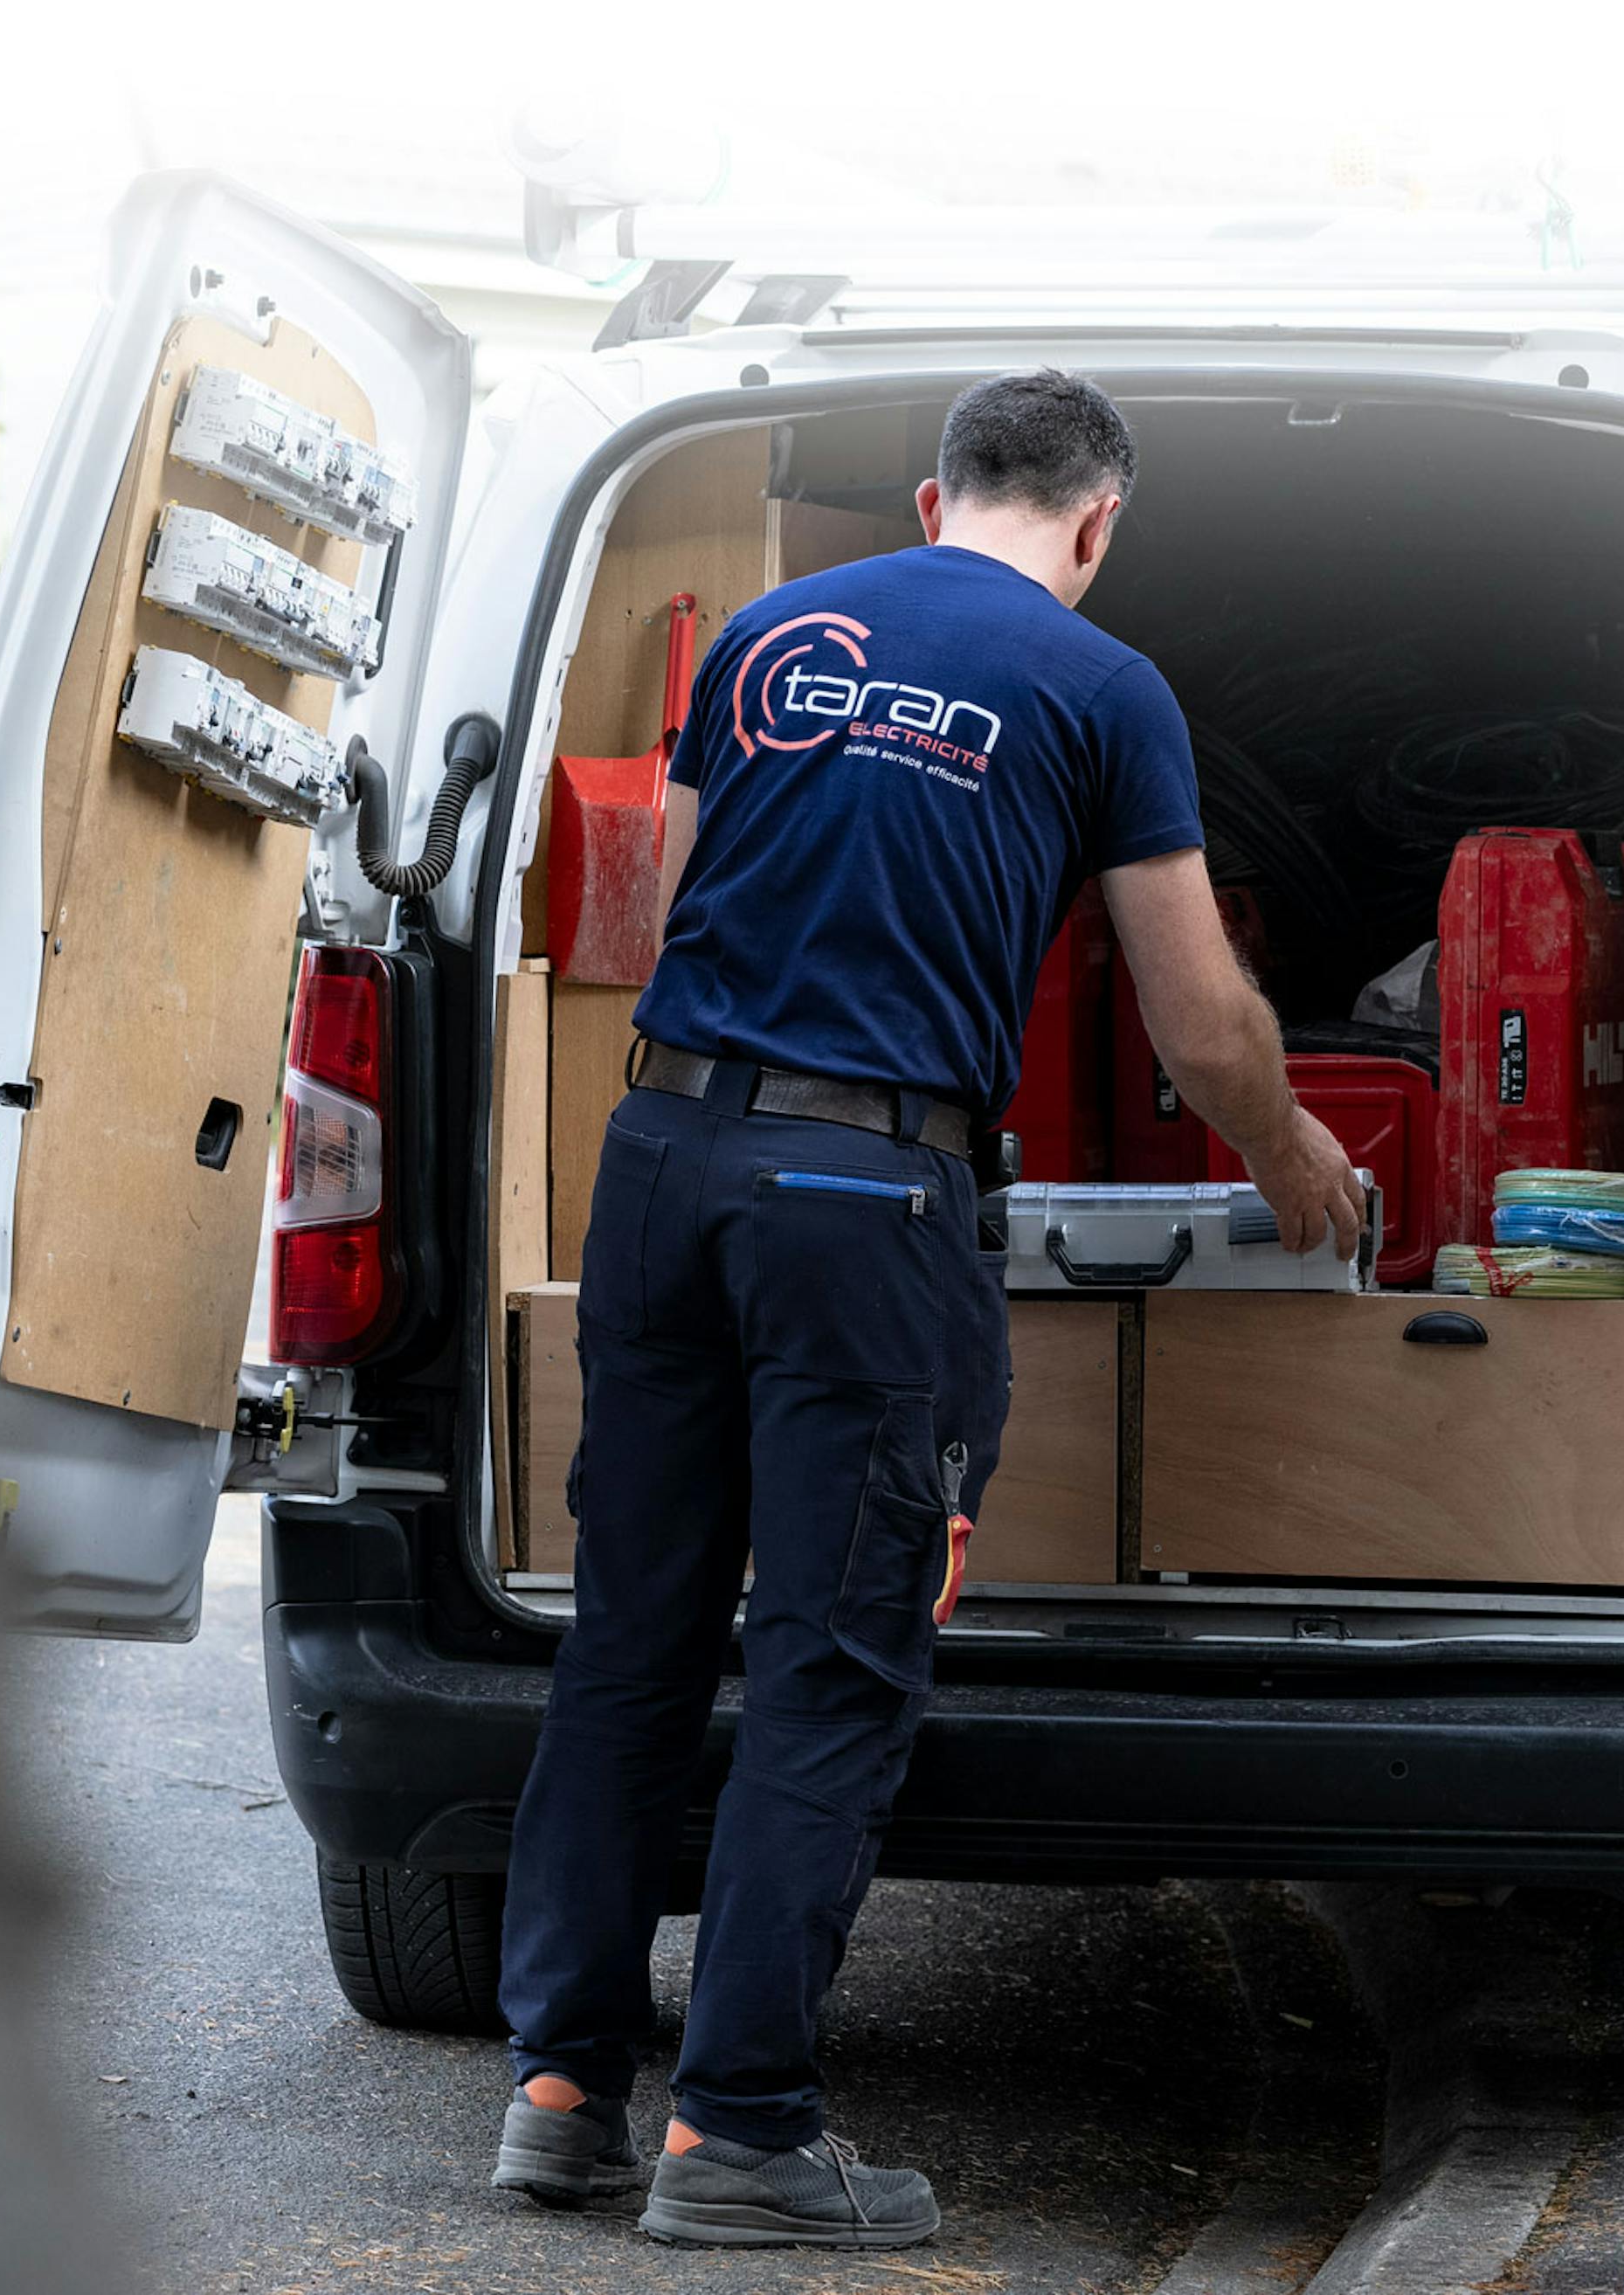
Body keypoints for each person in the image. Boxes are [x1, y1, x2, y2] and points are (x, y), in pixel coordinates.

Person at [492, 370, 1364, 2250]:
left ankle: (561, 2092)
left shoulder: (765, 633)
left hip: (662, 1159)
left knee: (632, 1639)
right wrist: (1297, 1159)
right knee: (829, 1659)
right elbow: (1198, 1021)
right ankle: (739, 2136)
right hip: (863, 1204)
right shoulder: (1103, 690)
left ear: (929, 495)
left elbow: (675, 905)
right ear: (1099, 527)